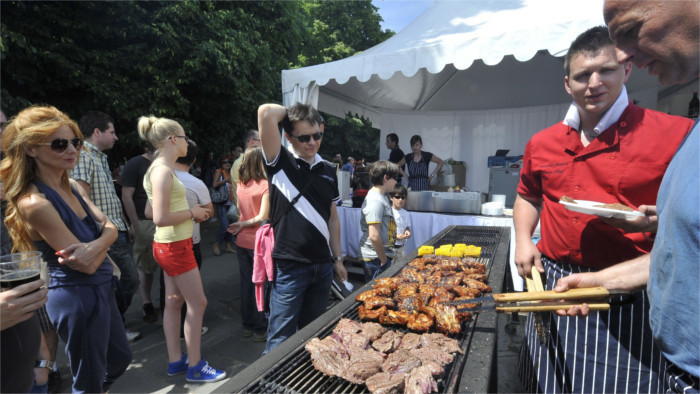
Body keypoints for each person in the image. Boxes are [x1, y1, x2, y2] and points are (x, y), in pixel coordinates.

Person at [514, 26, 694, 393]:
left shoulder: (677, 134)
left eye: (605, 70)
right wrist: (522, 239)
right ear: (568, 84)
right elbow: (528, 196)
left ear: (626, 70)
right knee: (544, 381)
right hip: (555, 285)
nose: (594, 83)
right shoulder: (542, 142)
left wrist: (664, 219)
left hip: (631, 295)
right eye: (582, 75)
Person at [1, 105, 132, 392]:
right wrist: (104, 240)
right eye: (59, 144)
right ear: (31, 149)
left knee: (121, 359)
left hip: (102, 286)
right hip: (77, 297)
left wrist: (98, 243)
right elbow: (86, 264)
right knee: (88, 381)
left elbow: (111, 227)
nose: (71, 149)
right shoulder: (35, 203)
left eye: (75, 142)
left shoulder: (72, 185)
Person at [139, 115, 225, 383]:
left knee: (173, 303)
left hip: (168, 243)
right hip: (175, 244)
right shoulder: (163, 171)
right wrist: (192, 212)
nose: (188, 142)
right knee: (197, 304)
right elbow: (159, 217)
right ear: (173, 139)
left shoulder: (156, 169)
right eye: (185, 137)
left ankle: (176, 361)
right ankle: (196, 366)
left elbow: (151, 210)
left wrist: (189, 213)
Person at [257, 102, 348, 354]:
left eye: (317, 135)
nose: (312, 142)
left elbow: (333, 218)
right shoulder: (279, 161)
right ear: (288, 136)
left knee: (314, 335)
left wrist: (338, 259)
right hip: (290, 265)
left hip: (322, 265)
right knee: (280, 339)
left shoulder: (329, 169)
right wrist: (296, 112)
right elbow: (265, 112)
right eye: (304, 137)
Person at [69, 111, 140, 340]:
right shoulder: (83, 156)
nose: (116, 137)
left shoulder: (98, 157)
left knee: (120, 280)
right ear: (97, 132)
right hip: (104, 233)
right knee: (126, 279)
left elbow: (108, 197)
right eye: (112, 132)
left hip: (114, 230)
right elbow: (81, 201)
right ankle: (112, 328)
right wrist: (97, 236)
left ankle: (114, 326)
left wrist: (125, 225)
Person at [227, 147, 269, 342]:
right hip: (258, 241)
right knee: (259, 285)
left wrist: (242, 223)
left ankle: (247, 325)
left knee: (246, 284)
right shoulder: (265, 185)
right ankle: (260, 329)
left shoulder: (240, 184)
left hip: (242, 240)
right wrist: (244, 223)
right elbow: (262, 216)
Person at [120, 143, 160, 324]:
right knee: (145, 266)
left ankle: (169, 304)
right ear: (148, 147)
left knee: (169, 266)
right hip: (144, 222)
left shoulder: (165, 163)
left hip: (165, 219)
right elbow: (126, 196)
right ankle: (147, 304)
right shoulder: (135, 164)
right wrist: (134, 224)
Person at [358, 160, 399, 282]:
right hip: (375, 258)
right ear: (386, 178)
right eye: (394, 178)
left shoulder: (382, 197)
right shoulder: (375, 200)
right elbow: (374, 235)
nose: (396, 182)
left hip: (379, 256)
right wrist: (384, 260)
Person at [212, 154, 235, 256]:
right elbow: (214, 185)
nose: (227, 164)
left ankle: (228, 246)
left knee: (231, 225)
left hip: (232, 202)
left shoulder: (232, 172)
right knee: (225, 225)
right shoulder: (219, 172)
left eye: (229, 162)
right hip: (222, 203)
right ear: (221, 163)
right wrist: (226, 180)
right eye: (225, 162)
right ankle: (217, 244)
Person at [230, 129, 261, 204]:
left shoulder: (242, 162)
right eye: (261, 140)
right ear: (252, 142)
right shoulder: (240, 163)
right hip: (250, 213)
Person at [390, 184, 411, 261]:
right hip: (390, 247)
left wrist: (407, 231)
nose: (400, 200)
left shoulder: (406, 213)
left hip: (401, 247)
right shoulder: (388, 212)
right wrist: (395, 236)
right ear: (391, 197)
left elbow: (407, 226)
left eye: (403, 198)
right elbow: (383, 230)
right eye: (397, 197)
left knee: (399, 269)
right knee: (388, 270)